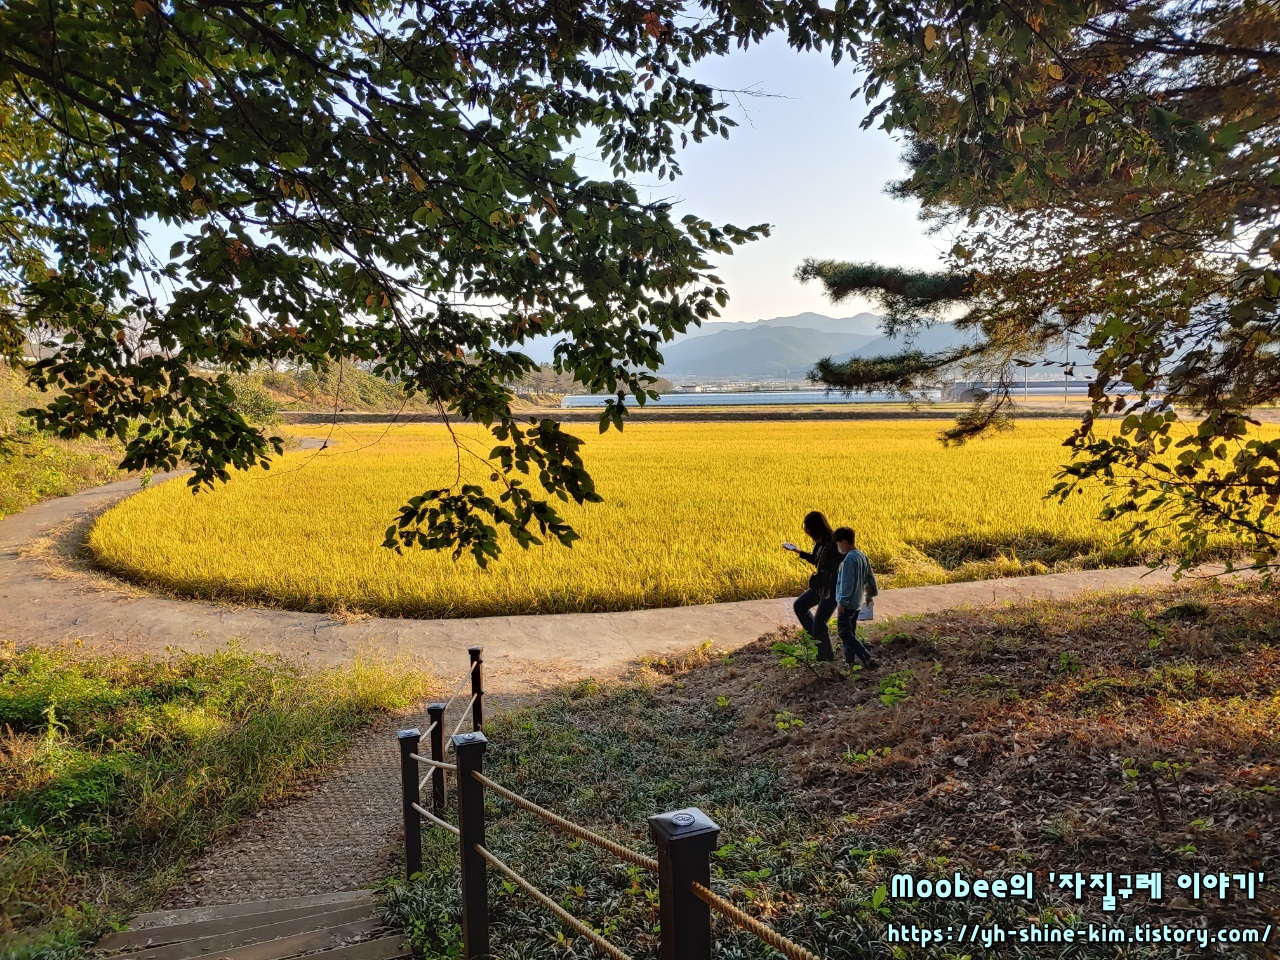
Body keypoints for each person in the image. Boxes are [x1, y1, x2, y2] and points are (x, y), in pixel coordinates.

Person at [783, 511, 842, 661]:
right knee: (800, 606)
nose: (806, 531)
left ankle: (825, 658)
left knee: (819, 623)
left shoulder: (834, 543)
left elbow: (846, 562)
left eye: (808, 528)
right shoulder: (821, 542)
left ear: (815, 528)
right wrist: (797, 550)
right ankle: (817, 642)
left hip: (834, 588)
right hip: (822, 585)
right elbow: (817, 561)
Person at [833, 526, 880, 672]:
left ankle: (867, 658)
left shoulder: (849, 560)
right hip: (857, 603)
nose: (837, 547)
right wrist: (870, 595)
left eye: (838, 543)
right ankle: (850, 663)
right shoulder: (862, 556)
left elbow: (847, 583)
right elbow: (870, 579)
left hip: (848, 604)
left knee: (844, 633)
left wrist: (842, 603)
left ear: (844, 542)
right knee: (850, 632)